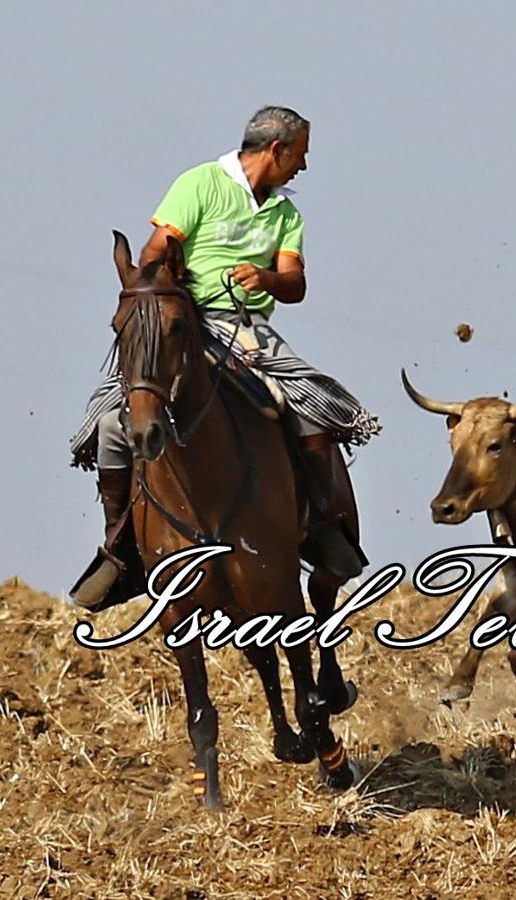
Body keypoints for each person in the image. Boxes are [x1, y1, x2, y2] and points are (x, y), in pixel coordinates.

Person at [69, 106, 380, 610]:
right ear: (276, 149)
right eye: (300, 154)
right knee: (112, 421)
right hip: (181, 323)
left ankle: (324, 526)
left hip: (247, 329)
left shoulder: (285, 215)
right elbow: (153, 251)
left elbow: (295, 283)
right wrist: (162, 289)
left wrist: (268, 280)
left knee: (312, 405)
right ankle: (118, 547)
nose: (302, 166)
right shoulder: (199, 185)